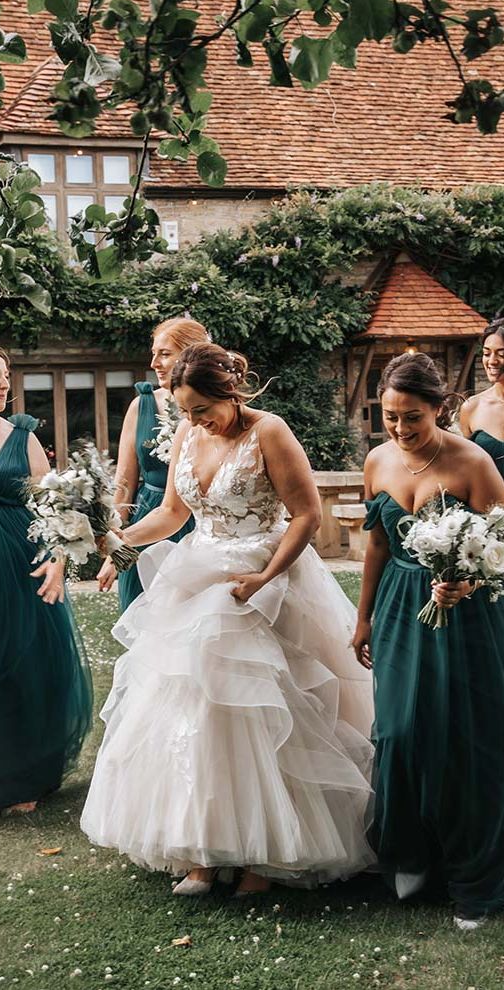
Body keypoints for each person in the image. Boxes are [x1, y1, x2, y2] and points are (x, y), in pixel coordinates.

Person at [83, 343, 374, 896]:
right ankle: (202, 847)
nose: (194, 420)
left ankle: (263, 856)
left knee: (267, 710)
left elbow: (308, 514)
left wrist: (266, 579)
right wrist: (118, 544)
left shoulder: (270, 431)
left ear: (230, 391)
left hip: (261, 573)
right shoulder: (186, 434)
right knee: (194, 703)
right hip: (199, 568)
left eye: (201, 409)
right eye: (186, 411)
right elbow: (173, 513)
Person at [352, 352, 504, 930]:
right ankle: (412, 856)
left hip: (466, 619)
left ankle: (475, 877)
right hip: (397, 608)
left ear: (439, 409)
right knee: (398, 731)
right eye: (389, 416)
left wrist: (466, 580)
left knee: (461, 739)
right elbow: (375, 547)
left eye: (411, 417)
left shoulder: (473, 463)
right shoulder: (377, 460)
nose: (398, 428)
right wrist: (363, 618)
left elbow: (502, 544)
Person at [0, 343, 93, 818]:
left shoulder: (23, 438)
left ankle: (21, 777)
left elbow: (55, 507)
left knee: (20, 667)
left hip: (21, 565)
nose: (5, 384)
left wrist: (60, 560)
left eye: (7, 375)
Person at [115, 317, 209, 612]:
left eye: (165, 354)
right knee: (143, 617)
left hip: (201, 522)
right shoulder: (140, 405)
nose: (155, 362)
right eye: (154, 353)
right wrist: (116, 537)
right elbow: (124, 482)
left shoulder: (216, 411)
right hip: (148, 521)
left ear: (190, 354)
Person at [460, 316, 504, 479]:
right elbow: (467, 469)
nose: (492, 361)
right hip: (488, 503)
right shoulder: (471, 408)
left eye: (501, 354)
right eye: (486, 353)